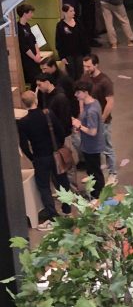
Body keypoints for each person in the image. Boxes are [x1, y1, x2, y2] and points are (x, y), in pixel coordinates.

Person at [17, 89, 70, 228]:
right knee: (62, 181)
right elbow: (60, 132)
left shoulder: (23, 123)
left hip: (40, 158)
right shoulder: (48, 114)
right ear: (36, 100)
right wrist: (58, 147)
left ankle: (53, 217)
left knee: (44, 187)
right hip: (54, 154)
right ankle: (67, 209)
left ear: (24, 104)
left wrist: (33, 158)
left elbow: (24, 145)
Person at [82, 54, 118, 185]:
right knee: (92, 149)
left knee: (107, 148)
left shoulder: (105, 81)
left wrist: (102, 120)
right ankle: (93, 175)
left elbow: (110, 102)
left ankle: (113, 174)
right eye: (84, 66)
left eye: (88, 66)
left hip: (103, 122)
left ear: (96, 65)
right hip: (89, 121)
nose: (86, 69)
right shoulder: (85, 77)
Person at [72, 77, 105, 198]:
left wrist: (79, 126)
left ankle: (98, 195)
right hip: (89, 145)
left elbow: (92, 132)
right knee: (93, 171)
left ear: (86, 92)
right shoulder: (93, 102)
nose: (76, 95)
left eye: (78, 92)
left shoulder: (91, 110)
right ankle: (96, 193)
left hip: (92, 146)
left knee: (95, 172)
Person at [55, 4, 87, 82]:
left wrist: (86, 53)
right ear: (65, 12)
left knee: (80, 72)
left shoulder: (78, 22)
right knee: (71, 74)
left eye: (73, 10)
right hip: (68, 54)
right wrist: (62, 56)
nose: (74, 13)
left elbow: (84, 38)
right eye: (71, 11)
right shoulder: (60, 25)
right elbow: (58, 42)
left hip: (79, 53)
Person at [35, 75, 72, 139]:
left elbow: (64, 120)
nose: (38, 88)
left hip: (63, 135)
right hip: (53, 132)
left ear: (47, 82)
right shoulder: (45, 94)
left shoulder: (60, 97)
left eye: (39, 85)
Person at [16, 3, 44, 86]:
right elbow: (24, 46)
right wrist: (34, 57)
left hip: (35, 58)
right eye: (31, 12)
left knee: (41, 78)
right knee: (34, 81)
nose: (32, 15)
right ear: (25, 13)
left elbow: (34, 40)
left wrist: (38, 53)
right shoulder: (18, 28)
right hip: (28, 60)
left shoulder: (27, 25)